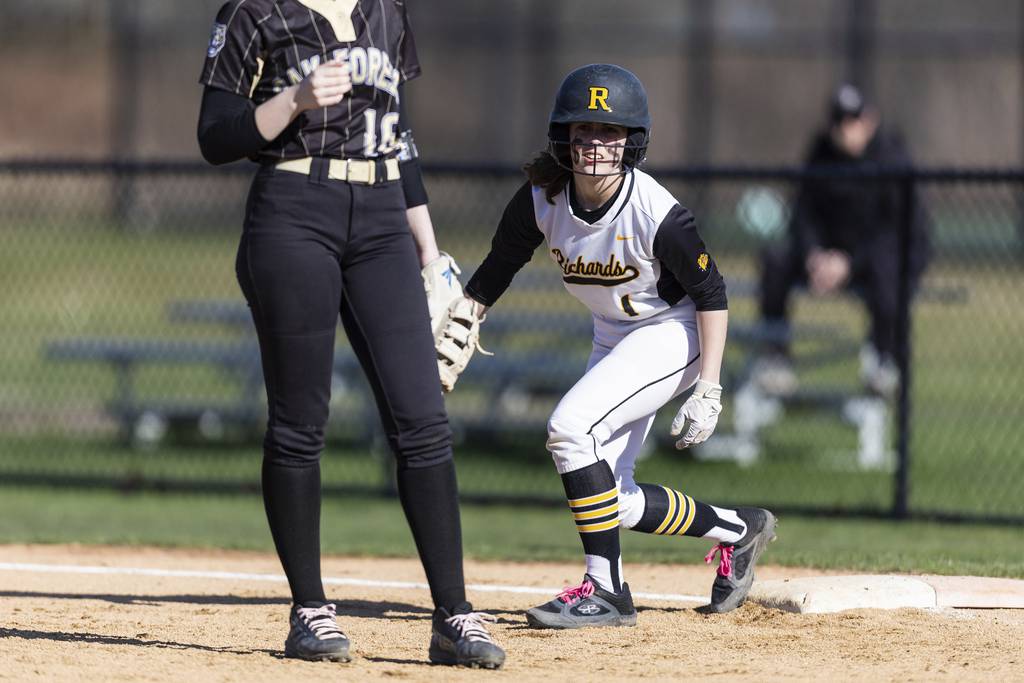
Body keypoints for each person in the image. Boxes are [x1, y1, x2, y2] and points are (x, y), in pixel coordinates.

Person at [195, 0, 503, 668]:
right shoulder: (255, 11)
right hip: (293, 212)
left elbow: (400, 136)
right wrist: (295, 100)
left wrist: (431, 254)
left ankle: (454, 614)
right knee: (301, 421)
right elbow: (216, 135)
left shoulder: (386, 13)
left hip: (384, 218)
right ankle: (310, 610)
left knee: (423, 420)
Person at [434, 64, 777, 628]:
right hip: (614, 333)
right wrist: (466, 319)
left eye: (610, 132)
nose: (595, 143)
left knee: (570, 428)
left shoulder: (655, 212)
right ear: (562, 137)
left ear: (633, 142)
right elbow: (499, 265)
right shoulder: (541, 199)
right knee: (612, 497)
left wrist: (709, 388)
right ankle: (739, 530)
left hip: (674, 329)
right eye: (584, 130)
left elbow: (712, 293)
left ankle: (607, 590)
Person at [753, 83, 931, 397]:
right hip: (828, 256)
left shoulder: (891, 156)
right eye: (838, 121)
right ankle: (775, 356)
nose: (844, 130)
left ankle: (883, 359)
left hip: (874, 257)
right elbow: (803, 213)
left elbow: (895, 229)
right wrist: (814, 255)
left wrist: (848, 263)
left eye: (852, 121)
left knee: (887, 266)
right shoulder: (820, 152)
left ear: (870, 120)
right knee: (775, 259)